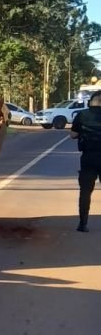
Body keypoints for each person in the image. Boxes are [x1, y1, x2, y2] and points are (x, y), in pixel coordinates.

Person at [71, 91, 101, 231]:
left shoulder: (82, 115)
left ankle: (83, 224)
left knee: (85, 191)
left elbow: (73, 135)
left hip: (88, 157)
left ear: (92, 101)